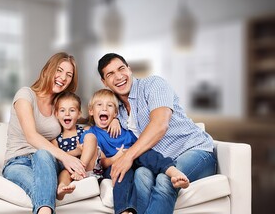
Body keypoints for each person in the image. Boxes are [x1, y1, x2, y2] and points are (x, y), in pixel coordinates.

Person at [97, 53, 217, 214]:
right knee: (141, 175)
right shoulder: (115, 110)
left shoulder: (153, 85)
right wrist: (114, 119)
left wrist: (127, 156)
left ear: (130, 70)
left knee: (165, 180)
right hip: (160, 162)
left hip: (195, 151)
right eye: (110, 74)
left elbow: (160, 125)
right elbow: (91, 118)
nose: (118, 76)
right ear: (104, 82)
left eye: (121, 69)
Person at [80, 89, 189, 214]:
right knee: (122, 173)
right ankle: (124, 211)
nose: (104, 108)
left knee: (145, 153)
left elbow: (140, 146)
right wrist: (117, 158)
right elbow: (101, 163)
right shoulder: (91, 134)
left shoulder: (125, 131)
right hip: (112, 167)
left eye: (109, 105)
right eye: (99, 104)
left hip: (133, 160)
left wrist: (129, 154)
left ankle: (172, 171)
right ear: (91, 111)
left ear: (115, 113)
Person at [2, 52, 87, 214]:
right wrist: (65, 156)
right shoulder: (25, 95)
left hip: (47, 163)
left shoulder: (59, 106)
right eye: (59, 70)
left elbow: (81, 118)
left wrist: (112, 120)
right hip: (18, 162)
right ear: (47, 70)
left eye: (69, 75)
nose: (63, 77)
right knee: (43, 187)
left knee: (43, 155)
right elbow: (31, 136)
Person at [51, 91, 102, 200]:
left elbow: (99, 138)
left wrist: (115, 121)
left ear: (79, 114)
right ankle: (62, 187)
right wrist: (76, 152)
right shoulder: (56, 139)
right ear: (56, 114)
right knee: (65, 172)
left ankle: (80, 170)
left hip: (87, 168)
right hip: (69, 172)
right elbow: (57, 159)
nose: (67, 114)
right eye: (62, 110)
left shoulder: (85, 131)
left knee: (90, 137)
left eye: (72, 110)